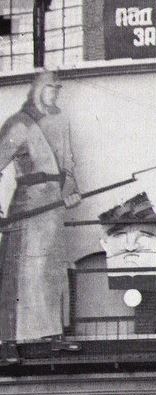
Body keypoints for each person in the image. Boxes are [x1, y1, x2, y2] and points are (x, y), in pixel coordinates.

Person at [0, 70, 82, 360]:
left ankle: (54, 333)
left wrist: (70, 194)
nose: (55, 93)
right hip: (27, 208)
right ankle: (8, 340)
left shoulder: (61, 123)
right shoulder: (18, 124)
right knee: (19, 274)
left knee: (51, 269)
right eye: (50, 88)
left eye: (57, 89)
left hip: (53, 209)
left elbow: (69, 166)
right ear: (37, 90)